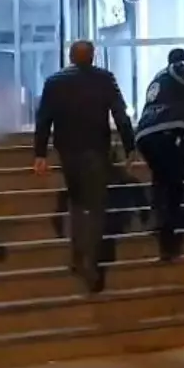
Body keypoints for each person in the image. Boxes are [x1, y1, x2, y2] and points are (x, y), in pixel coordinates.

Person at [33, 40, 136, 293]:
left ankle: (78, 254)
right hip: (96, 149)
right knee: (97, 206)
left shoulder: (54, 82)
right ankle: (92, 261)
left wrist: (40, 154)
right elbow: (120, 114)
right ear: (93, 56)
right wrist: (129, 146)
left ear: (70, 57)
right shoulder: (105, 79)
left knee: (77, 202)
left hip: (67, 150)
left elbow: (44, 118)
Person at [136, 48, 184, 261]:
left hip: (146, 134)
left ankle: (158, 218)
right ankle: (168, 236)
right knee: (174, 184)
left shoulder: (158, 79)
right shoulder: (176, 69)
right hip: (168, 130)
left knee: (160, 179)